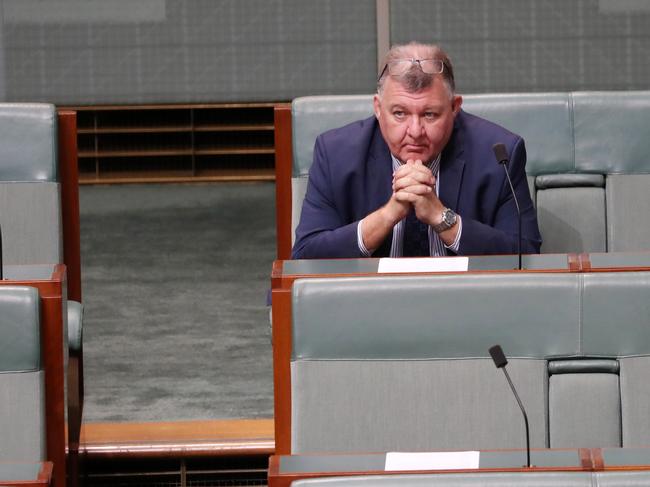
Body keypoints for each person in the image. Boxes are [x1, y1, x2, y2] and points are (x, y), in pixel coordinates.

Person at [291, 42, 541, 259]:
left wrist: (442, 218)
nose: (415, 131)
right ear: (378, 108)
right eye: (399, 113)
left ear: (454, 108)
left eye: (429, 114)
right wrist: (388, 215)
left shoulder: (499, 154)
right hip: (368, 303)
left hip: (468, 301)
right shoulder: (336, 154)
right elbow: (306, 256)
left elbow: (526, 255)